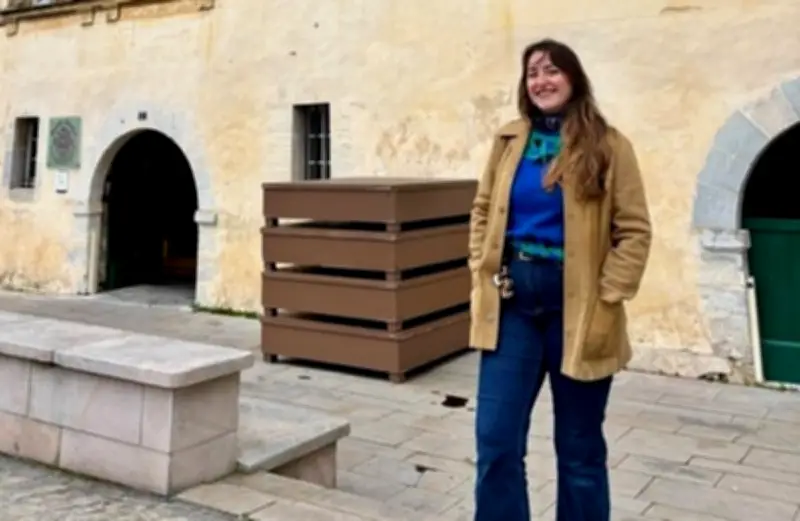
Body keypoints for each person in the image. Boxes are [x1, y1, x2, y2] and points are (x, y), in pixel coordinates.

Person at [468, 38, 652, 521]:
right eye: (532, 72)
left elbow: (633, 231)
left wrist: (609, 295)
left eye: (552, 70)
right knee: (496, 440)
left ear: (573, 79)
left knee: (580, 450)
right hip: (512, 307)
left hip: (581, 310)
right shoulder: (509, 141)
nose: (541, 81)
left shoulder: (610, 146)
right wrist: (479, 263)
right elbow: (483, 208)